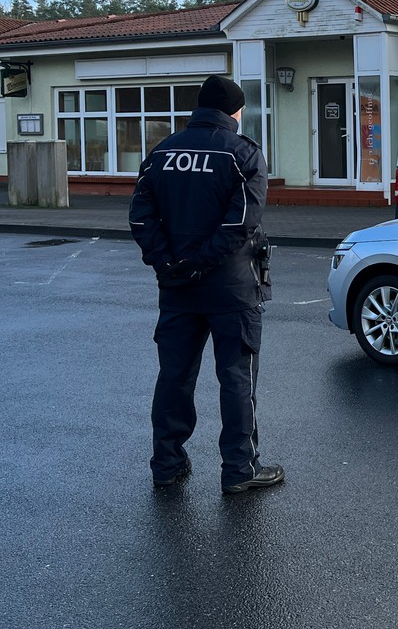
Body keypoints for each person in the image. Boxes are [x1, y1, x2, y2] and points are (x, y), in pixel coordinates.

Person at [129, 75, 284, 494]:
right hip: (230, 289)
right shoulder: (243, 153)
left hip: (176, 287)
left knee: (174, 377)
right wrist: (199, 264)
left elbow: (141, 217)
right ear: (236, 110)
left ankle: (166, 464)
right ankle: (239, 469)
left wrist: (169, 263)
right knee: (236, 377)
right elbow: (240, 223)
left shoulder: (162, 152)